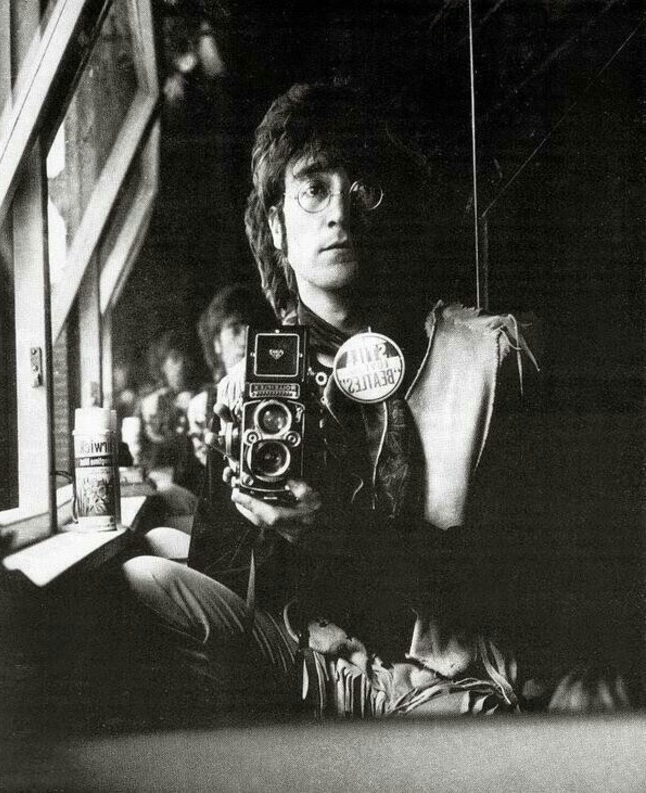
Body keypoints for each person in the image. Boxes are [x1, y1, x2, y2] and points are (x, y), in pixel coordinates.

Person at [122, 82, 542, 720]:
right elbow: (235, 572)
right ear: (276, 226)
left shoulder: (473, 357)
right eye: (313, 189)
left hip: (439, 654)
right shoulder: (260, 380)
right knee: (146, 569)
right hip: (322, 655)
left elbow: (509, 574)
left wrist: (340, 535)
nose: (339, 213)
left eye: (360, 189)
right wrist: (244, 508)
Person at [187, 283, 273, 468]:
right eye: (235, 329)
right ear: (216, 343)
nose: (246, 339)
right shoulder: (200, 406)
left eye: (253, 329)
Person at [137, 329, 200, 493]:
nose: (182, 365)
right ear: (162, 365)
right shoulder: (152, 402)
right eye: (175, 359)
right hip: (160, 484)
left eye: (186, 359)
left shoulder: (202, 398)